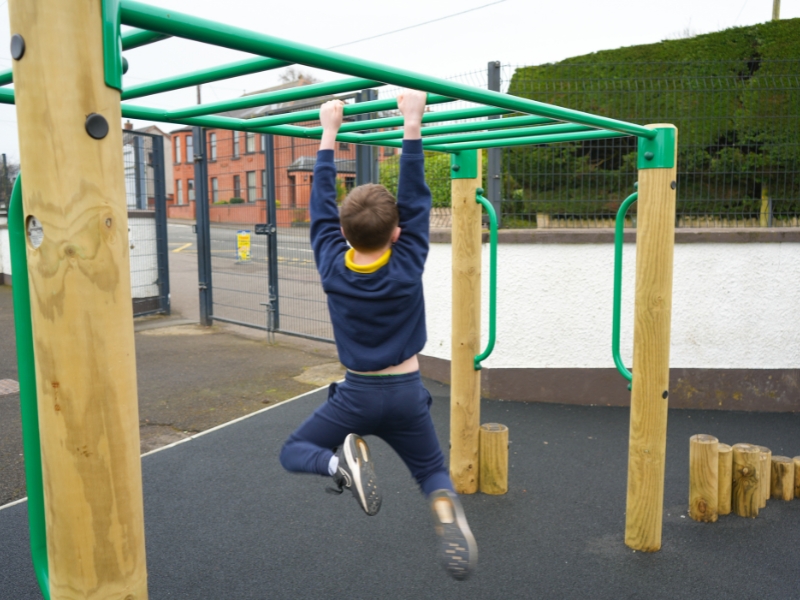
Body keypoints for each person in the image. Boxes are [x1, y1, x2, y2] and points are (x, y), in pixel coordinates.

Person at [279, 90, 477, 580]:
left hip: (357, 397)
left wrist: (328, 131)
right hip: (407, 392)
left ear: (343, 234)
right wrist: (412, 121)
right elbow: (415, 197)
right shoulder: (407, 262)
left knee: (294, 452)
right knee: (431, 472)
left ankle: (339, 467)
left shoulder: (332, 263)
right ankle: (444, 507)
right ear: (398, 233)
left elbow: (320, 207)